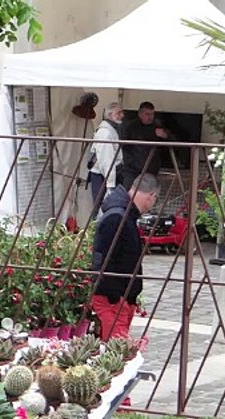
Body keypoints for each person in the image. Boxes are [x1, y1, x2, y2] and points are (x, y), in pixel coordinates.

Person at [92, 173, 158, 340]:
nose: (151, 206)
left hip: (120, 298)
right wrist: (116, 297)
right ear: (151, 196)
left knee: (117, 350)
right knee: (115, 352)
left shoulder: (124, 215)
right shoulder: (117, 217)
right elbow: (103, 259)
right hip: (113, 299)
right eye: (155, 200)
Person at [87, 103, 125, 219]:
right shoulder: (105, 132)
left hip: (108, 174)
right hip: (103, 176)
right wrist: (110, 184)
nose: (122, 115)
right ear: (109, 115)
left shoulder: (111, 130)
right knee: (103, 209)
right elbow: (106, 160)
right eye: (118, 113)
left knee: (108, 207)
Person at [118, 101, 169, 188]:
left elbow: (172, 142)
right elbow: (126, 145)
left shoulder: (157, 125)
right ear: (140, 114)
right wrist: (130, 162)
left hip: (151, 169)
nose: (150, 117)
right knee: (130, 193)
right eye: (147, 114)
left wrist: (166, 135)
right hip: (132, 170)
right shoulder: (131, 127)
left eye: (152, 114)